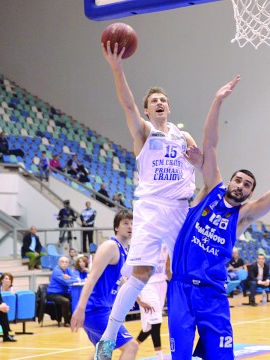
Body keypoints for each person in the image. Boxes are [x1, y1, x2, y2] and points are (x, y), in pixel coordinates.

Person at [166, 77, 270, 359]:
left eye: (247, 185)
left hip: (212, 295)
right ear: (229, 181)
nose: (240, 185)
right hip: (181, 289)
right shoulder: (210, 191)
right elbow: (210, 143)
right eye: (238, 180)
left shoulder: (243, 216)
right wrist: (217, 101)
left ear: (250, 193)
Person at [94, 39, 198, 359]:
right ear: (148, 109)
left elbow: (206, 167)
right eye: (154, 100)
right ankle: (108, 339)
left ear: (170, 107)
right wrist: (117, 68)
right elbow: (127, 104)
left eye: (164, 99)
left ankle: (192, 341)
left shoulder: (184, 137)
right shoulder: (143, 132)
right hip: (151, 209)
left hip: (181, 209)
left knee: (188, 275)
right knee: (140, 275)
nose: (160, 103)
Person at [71, 210, 139, 360]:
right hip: (95, 309)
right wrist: (80, 308)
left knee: (102, 353)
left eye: (133, 223)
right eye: (126, 223)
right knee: (131, 346)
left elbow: (121, 280)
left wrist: (140, 300)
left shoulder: (125, 250)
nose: (130, 227)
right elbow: (92, 278)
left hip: (101, 308)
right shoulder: (110, 246)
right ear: (116, 227)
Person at [136, 242, 170, 360]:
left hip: (161, 284)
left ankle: (132, 347)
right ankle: (159, 356)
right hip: (148, 285)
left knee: (150, 325)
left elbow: (168, 264)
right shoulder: (145, 242)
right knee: (156, 321)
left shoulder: (166, 242)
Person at [47, 256, 78, 327]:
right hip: (53, 294)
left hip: (64, 293)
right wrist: (72, 279)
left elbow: (76, 278)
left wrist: (70, 278)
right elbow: (65, 282)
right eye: (62, 262)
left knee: (76, 298)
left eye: (66, 262)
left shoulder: (68, 270)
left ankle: (75, 320)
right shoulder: (56, 271)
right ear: (58, 263)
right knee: (65, 301)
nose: (64, 263)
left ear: (68, 264)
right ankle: (67, 322)